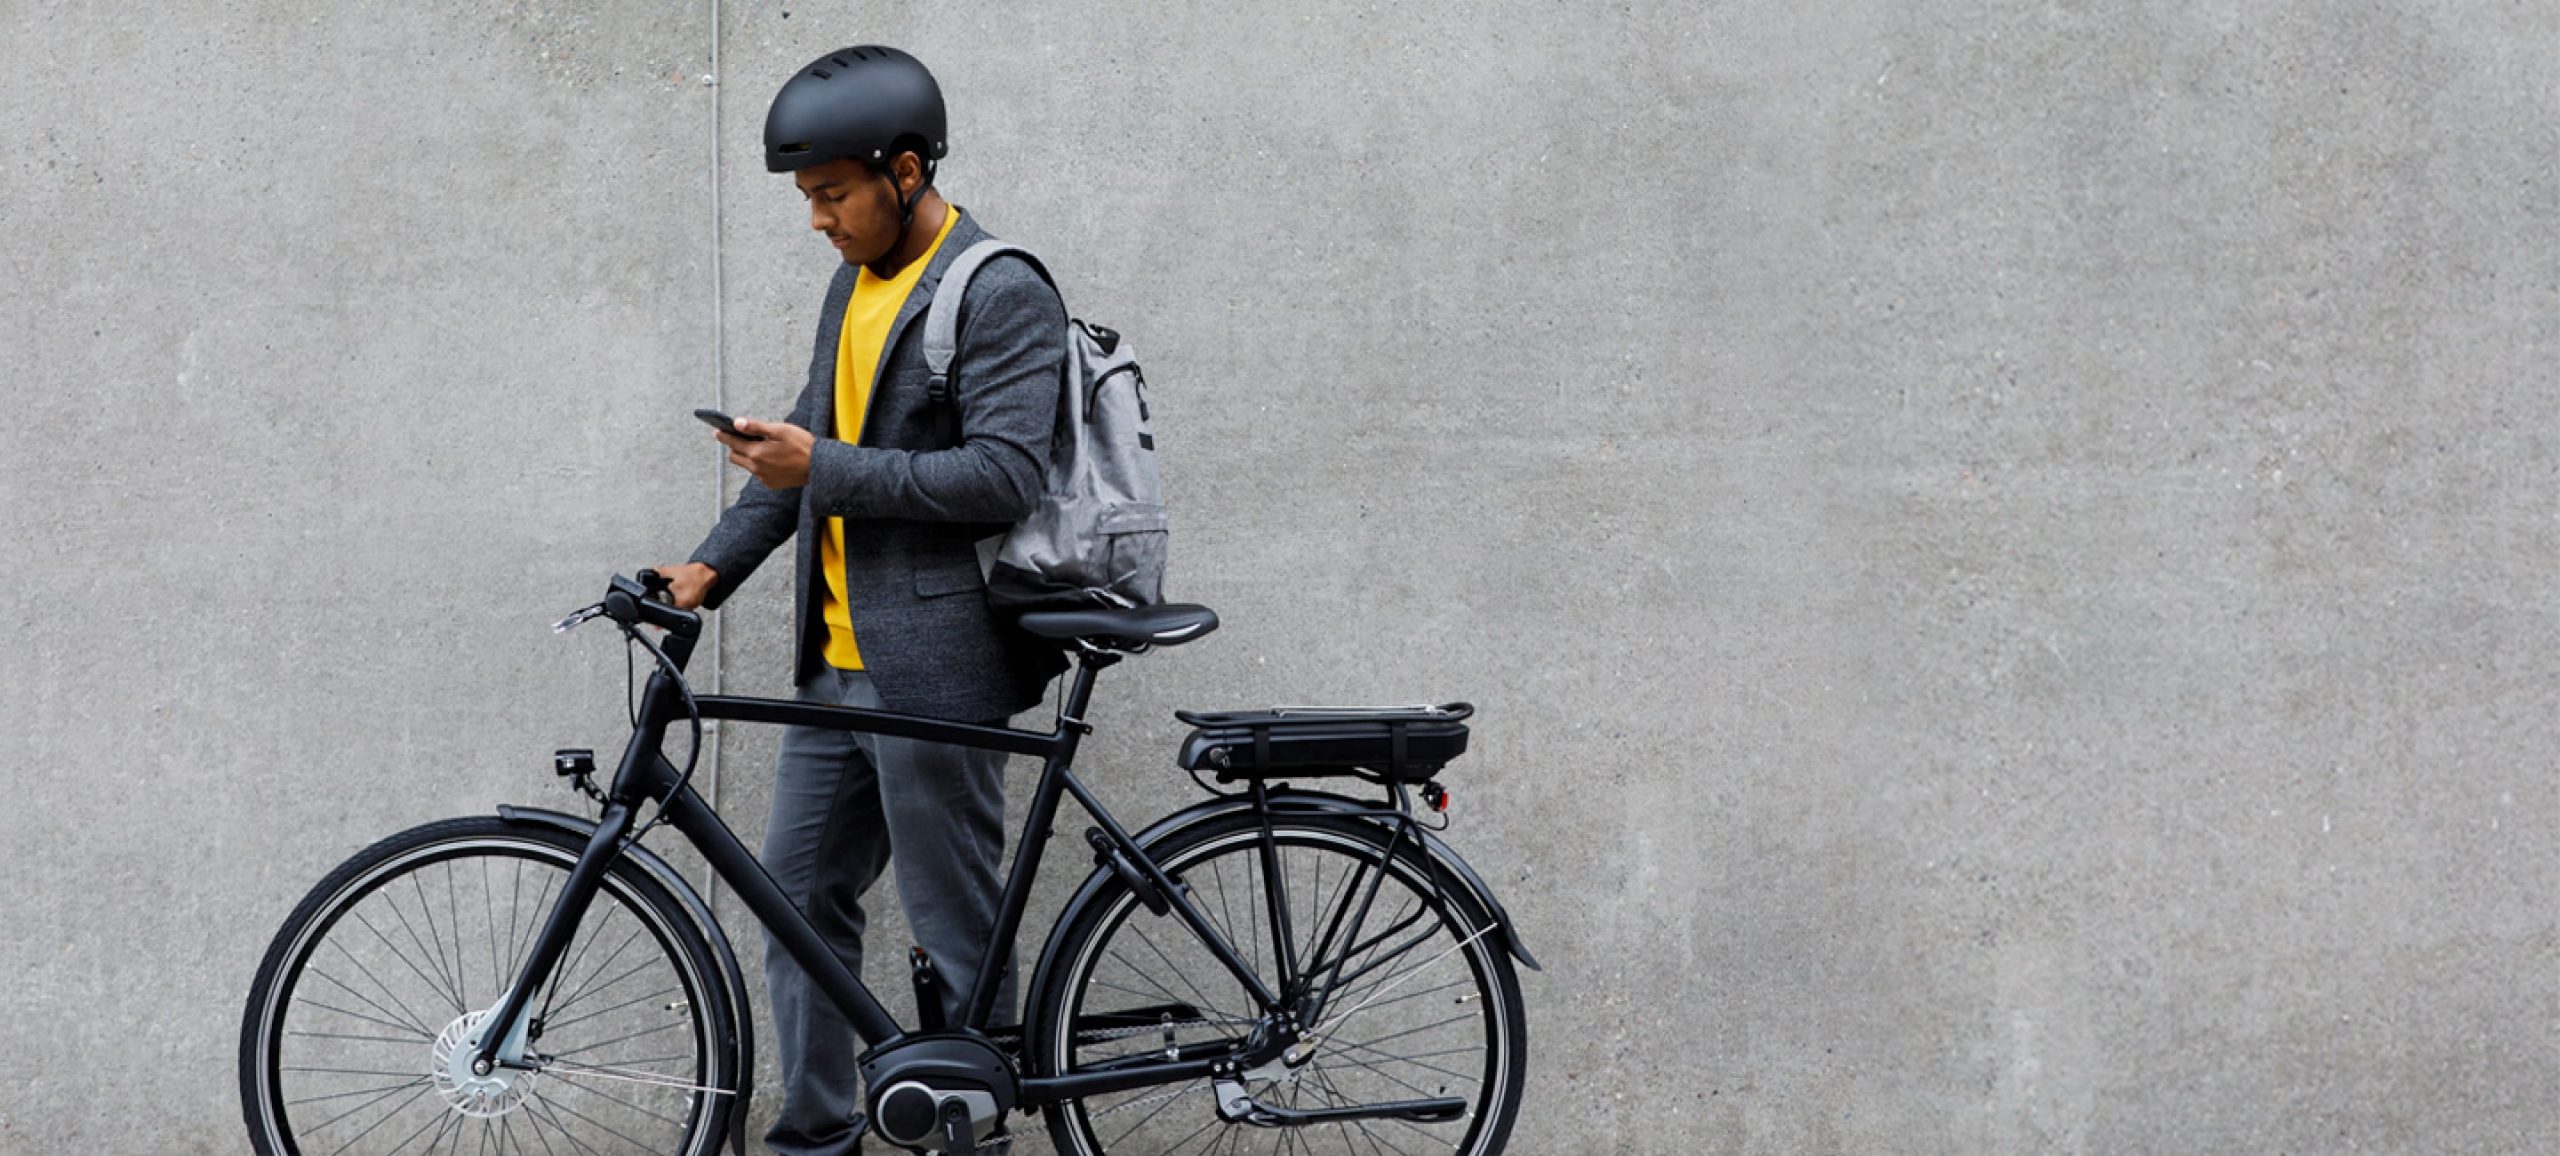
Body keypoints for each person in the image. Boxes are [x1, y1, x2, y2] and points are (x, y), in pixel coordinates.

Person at [654, 45, 1067, 1156]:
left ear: (903, 169)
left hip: (933, 664)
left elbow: (1004, 474)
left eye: (832, 195)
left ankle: (974, 1137)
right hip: (832, 671)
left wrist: (821, 470)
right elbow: (800, 450)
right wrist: (704, 569)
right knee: (795, 909)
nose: (818, 221)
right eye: (807, 199)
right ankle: (815, 1136)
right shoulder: (855, 283)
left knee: (954, 930)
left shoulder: (1000, 287)